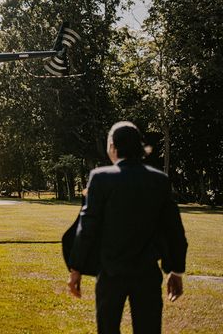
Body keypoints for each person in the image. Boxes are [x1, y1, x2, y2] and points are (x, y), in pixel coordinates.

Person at [67, 121, 188, 334]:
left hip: (111, 273)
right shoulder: (159, 180)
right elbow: (174, 230)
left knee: (108, 329)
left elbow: (87, 227)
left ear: (112, 147)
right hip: (147, 273)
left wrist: (76, 268)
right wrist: (175, 270)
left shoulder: (101, 178)